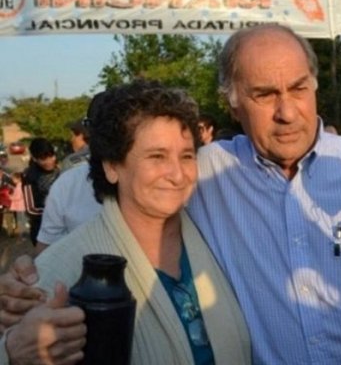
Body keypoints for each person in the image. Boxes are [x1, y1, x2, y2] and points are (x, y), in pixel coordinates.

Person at [1, 24, 341, 365]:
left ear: (315, 87)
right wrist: (21, 291)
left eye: (298, 88)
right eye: (264, 95)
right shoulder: (204, 173)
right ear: (232, 103)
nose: (287, 111)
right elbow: (121, 214)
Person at [0, 80, 251, 364]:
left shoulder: (216, 237)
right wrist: (12, 353)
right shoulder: (61, 273)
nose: (178, 174)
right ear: (111, 166)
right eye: (157, 156)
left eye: (186, 156)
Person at [22, 137, 60, 246]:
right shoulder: (29, 176)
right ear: (34, 159)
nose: (49, 161)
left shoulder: (59, 171)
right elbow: (30, 209)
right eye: (44, 158)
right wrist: (55, 212)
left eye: (51, 156)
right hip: (42, 231)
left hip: (62, 229)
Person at [7, 172, 26, 239]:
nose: (13, 181)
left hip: (20, 206)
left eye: (14, 179)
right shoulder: (19, 185)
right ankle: (21, 233)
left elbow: (18, 197)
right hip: (20, 206)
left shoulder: (19, 186)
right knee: (20, 220)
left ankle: (22, 234)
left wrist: (10, 197)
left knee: (21, 220)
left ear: (18, 179)